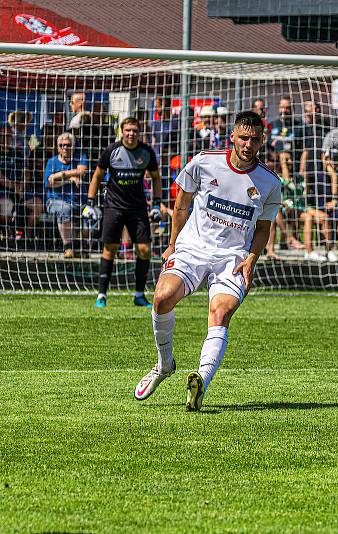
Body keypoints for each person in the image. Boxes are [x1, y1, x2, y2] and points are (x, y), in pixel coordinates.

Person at [134, 111, 281, 411]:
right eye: (243, 137)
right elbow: (181, 204)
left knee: (221, 310)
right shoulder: (204, 161)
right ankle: (164, 365)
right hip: (192, 248)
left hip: (233, 258)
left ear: (262, 140)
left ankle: (199, 381)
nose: (248, 144)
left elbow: (264, 227)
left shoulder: (269, 182)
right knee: (161, 299)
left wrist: (252, 258)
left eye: (254, 139)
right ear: (232, 137)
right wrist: (172, 244)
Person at [82, 117, 165, 308]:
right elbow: (97, 175)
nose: (131, 134)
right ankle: (101, 295)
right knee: (110, 248)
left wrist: (156, 204)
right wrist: (90, 203)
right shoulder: (112, 151)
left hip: (137, 208)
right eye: (127, 130)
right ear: (122, 131)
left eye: (135, 130)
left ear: (139, 131)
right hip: (114, 206)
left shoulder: (146, 152)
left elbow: (156, 178)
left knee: (144, 250)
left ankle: (139, 295)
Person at [44, 133, 88, 258]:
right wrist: (69, 178)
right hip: (55, 200)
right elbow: (50, 183)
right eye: (61, 145)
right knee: (65, 209)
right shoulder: (51, 162)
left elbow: (81, 171)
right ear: (57, 148)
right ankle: (68, 247)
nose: (65, 148)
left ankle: (80, 246)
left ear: (73, 146)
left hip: (79, 200)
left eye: (68, 145)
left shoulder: (80, 158)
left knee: (92, 212)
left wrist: (58, 175)